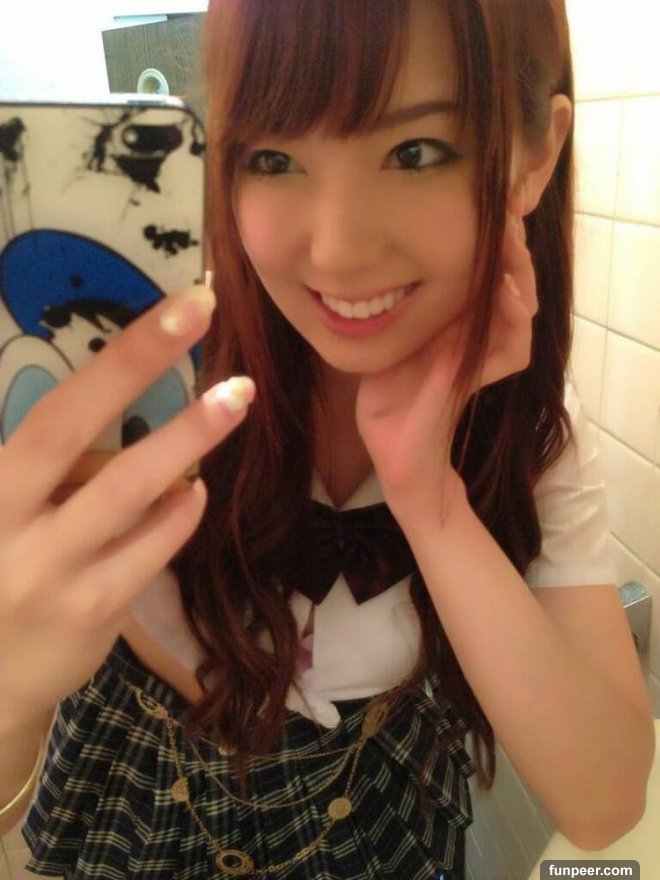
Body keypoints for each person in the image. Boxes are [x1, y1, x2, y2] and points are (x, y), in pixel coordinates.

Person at [0, 0, 655, 878]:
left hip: (376, 830)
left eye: (416, 151)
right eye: (273, 158)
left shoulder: (520, 419)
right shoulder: (136, 371)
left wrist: (431, 499)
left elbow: (605, 801)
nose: (337, 251)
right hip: (132, 813)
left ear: (533, 158)